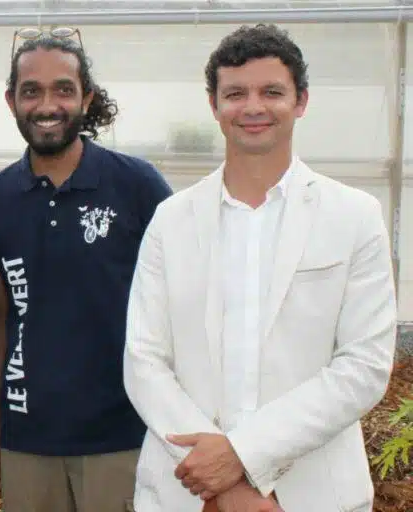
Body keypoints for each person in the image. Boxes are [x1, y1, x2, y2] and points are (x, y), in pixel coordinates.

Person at [124, 23, 397, 512]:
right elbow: (144, 360)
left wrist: (243, 455)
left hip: (313, 494)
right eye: (235, 94)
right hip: (187, 492)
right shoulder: (171, 219)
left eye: (272, 92)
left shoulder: (354, 216)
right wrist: (223, 482)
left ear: (301, 101)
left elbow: (364, 365)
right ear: (214, 106)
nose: (253, 107)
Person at [0, 32, 173, 512]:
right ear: (11, 101)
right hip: (27, 440)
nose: (47, 105)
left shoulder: (138, 186)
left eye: (63, 89)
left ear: (87, 98)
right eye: (31, 91)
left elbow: (178, 307)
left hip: (123, 436)